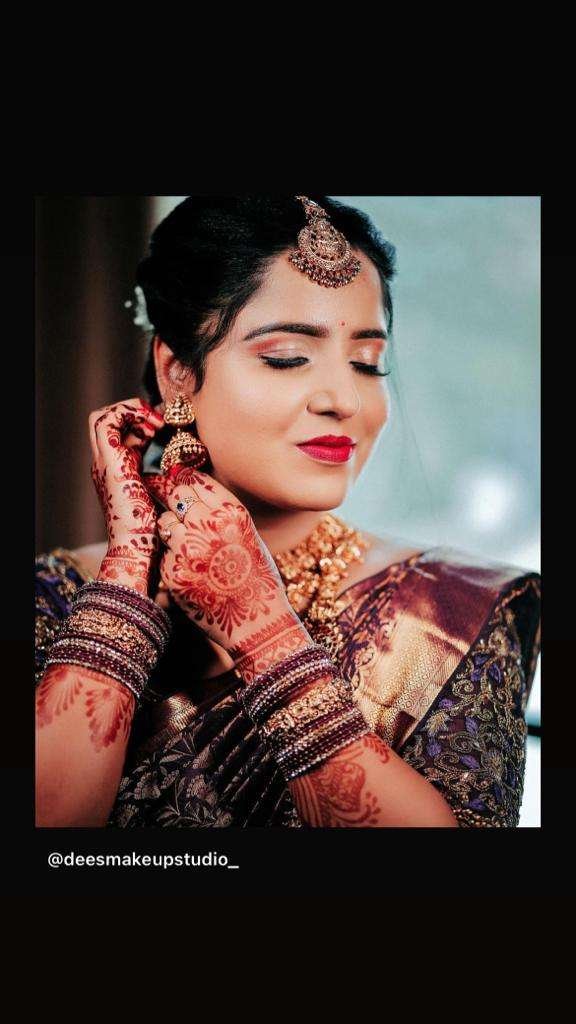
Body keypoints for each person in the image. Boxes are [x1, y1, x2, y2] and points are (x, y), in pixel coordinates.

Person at [35, 195, 541, 828]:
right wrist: (129, 571)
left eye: (368, 364)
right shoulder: (53, 596)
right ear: (177, 372)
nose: (344, 399)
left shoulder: (453, 612)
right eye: (287, 357)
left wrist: (263, 631)